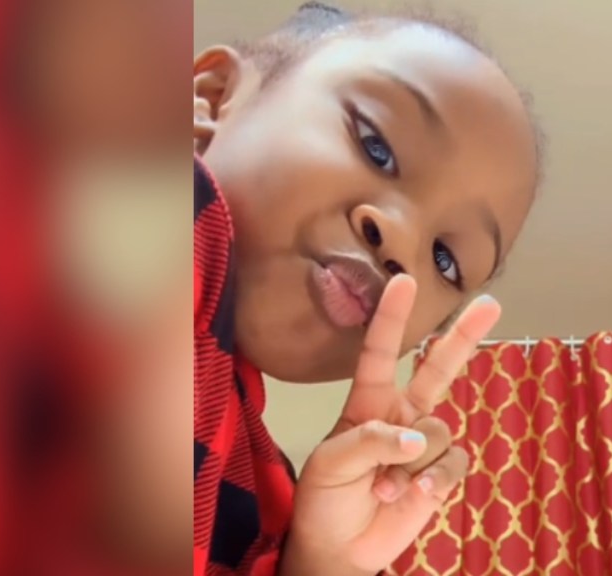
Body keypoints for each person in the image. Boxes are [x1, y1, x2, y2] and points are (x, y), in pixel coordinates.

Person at [193, 3, 542, 575]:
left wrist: (321, 562)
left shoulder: (268, 508)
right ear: (209, 99)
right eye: (376, 145)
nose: (401, 246)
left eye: (445, 261)